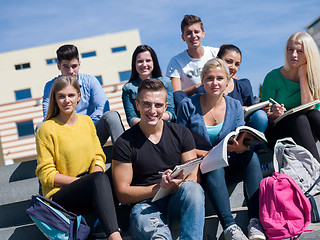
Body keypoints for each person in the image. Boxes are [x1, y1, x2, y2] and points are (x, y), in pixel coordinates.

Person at [177, 58, 265, 240]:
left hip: (229, 160)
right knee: (214, 165)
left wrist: (241, 145)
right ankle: (230, 226)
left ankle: (255, 221)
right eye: (209, 78)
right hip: (203, 165)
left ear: (227, 81)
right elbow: (180, 143)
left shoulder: (234, 105)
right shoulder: (187, 105)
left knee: (251, 157)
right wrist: (206, 154)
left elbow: (241, 132)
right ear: (202, 81)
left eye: (219, 78)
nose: (214, 83)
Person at [112, 78, 205, 239]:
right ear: (137, 105)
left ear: (166, 107)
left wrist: (175, 185)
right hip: (144, 207)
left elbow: (193, 175)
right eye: (147, 104)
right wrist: (160, 187)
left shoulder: (181, 133)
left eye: (158, 105)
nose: (152, 110)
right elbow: (122, 193)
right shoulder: (124, 143)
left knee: (193, 189)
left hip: (177, 200)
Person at [36, 76, 122, 240]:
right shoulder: (46, 129)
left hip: (91, 184)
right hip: (61, 196)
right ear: (55, 99)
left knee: (120, 170)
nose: (67, 100)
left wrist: (93, 177)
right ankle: (115, 236)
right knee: (98, 180)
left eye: (71, 95)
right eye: (61, 96)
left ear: (79, 96)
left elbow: (98, 156)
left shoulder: (87, 121)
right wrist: (85, 182)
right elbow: (47, 175)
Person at [42, 44, 124, 145]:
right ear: (59, 66)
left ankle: (124, 158)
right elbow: (48, 116)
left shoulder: (90, 81)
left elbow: (103, 108)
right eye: (66, 67)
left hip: (91, 132)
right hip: (65, 137)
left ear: (79, 64)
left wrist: (83, 126)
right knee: (40, 127)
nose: (71, 71)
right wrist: (70, 128)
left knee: (112, 116)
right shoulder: (50, 86)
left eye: (74, 66)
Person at [261, 32, 320, 162]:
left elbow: (310, 107)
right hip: (278, 133)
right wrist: (274, 114)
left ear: (308, 54)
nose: (293, 55)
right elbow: (265, 117)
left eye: (300, 51)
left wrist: (302, 76)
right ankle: (317, 167)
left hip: (306, 131)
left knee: (315, 115)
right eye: (290, 50)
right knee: (300, 118)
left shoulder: (314, 78)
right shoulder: (273, 77)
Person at [198, 44, 268, 132]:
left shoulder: (243, 85)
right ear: (217, 60)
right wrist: (237, 109)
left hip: (242, 130)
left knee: (260, 115)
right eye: (229, 61)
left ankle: (250, 145)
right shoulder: (205, 88)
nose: (233, 67)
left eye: (237, 64)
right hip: (217, 128)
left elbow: (251, 111)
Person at [166, 14, 219, 107]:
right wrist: (197, 87)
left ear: (203, 33)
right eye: (189, 33)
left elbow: (232, 80)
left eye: (196, 32)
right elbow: (176, 93)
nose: (193, 36)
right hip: (194, 104)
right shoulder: (176, 61)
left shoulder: (215, 53)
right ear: (183, 37)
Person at [122, 45, 175, 127]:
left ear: (154, 62)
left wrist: (154, 119)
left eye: (148, 60)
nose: (144, 64)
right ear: (134, 64)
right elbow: (131, 119)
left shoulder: (166, 83)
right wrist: (148, 123)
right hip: (141, 130)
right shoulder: (128, 88)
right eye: (140, 61)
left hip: (164, 127)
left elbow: (171, 113)